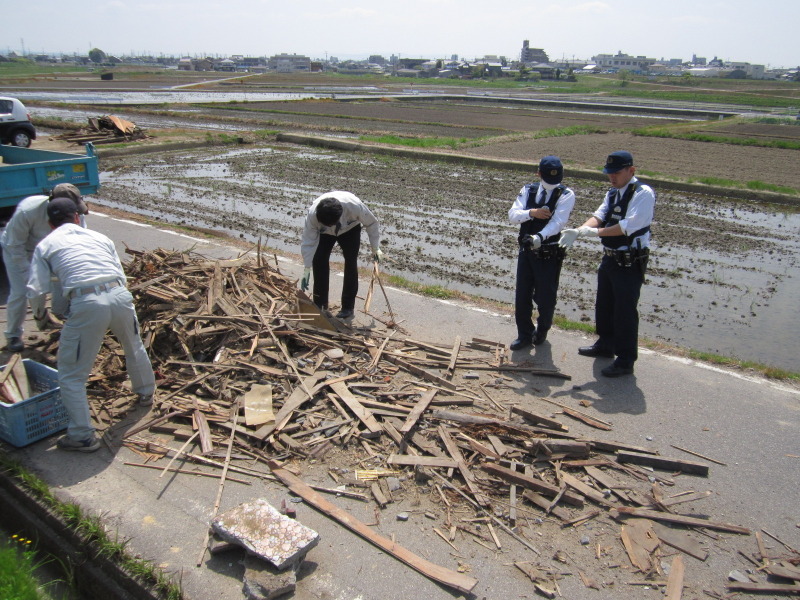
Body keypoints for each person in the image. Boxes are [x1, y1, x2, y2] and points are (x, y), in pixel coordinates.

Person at [27, 198, 155, 453]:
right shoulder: (99, 238)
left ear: (50, 224)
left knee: (71, 374)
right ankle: (146, 393)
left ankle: (82, 436)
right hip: (119, 295)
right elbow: (119, 272)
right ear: (77, 217)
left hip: (87, 303)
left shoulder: (46, 245)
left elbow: (36, 289)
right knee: (134, 346)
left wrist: (42, 317)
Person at [559, 151, 655, 377]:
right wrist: (580, 229)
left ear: (631, 171)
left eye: (617, 173)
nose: (612, 177)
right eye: (609, 173)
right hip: (610, 257)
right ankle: (605, 345)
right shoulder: (613, 193)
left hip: (630, 261)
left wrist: (591, 233)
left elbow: (625, 227)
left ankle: (625, 360)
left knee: (624, 311)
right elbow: (599, 215)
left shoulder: (642, 194)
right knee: (604, 305)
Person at [1, 183, 89, 353]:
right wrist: (30, 273)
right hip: (21, 250)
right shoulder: (29, 211)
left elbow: (80, 239)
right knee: (21, 291)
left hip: (53, 250)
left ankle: (58, 318)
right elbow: (14, 246)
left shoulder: (74, 212)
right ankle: (13, 335)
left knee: (65, 285)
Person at [508, 156, 575, 350]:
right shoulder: (528, 190)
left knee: (545, 297)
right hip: (526, 251)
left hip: (549, 253)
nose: (552, 184)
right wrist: (532, 213)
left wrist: (539, 236)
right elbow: (513, 215)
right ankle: (524, 334)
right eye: (547, 179)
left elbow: (558, 222)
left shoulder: (566, 194)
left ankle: (543, 329)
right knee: (522, 295)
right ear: (538, 173)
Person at [299, 191, 383, 319]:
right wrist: (306, 267)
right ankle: (321, 305)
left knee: (351, 262)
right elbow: (308, 241)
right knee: (319, 261)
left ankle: (348, 308)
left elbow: (371, 223)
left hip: (350, 229)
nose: (331, 226)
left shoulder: (353, 206)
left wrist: (375, 247)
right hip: (325, 234)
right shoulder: (313, 215)